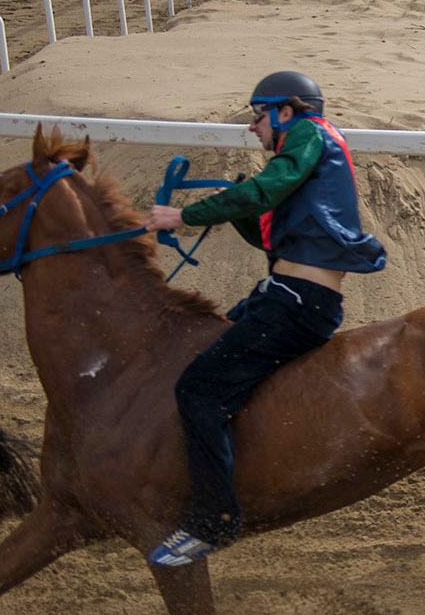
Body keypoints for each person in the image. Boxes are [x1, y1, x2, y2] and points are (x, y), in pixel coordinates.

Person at [143, 71, 387, 566]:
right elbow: (268, 237)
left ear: (286, 112)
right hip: (282, 294)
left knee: (198, 390)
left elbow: (264, 191)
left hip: (294, 303)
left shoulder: (309, 134)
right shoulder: (312, 157)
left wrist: (183, 217)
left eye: (258, 114)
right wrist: (234, 208)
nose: (252, 127)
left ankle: (212, 522)